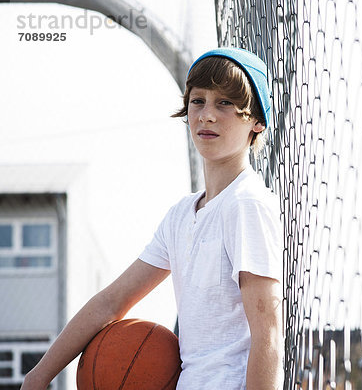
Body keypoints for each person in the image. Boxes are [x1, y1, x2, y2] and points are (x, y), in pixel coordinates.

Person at [21, 47, 284, 389]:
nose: (206, 115)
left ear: (257, 121)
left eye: (225, 104)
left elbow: (268, 334)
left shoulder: (247, 204)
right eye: (198, 101)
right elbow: (111, 302)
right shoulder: (180, 216)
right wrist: (38, 376)